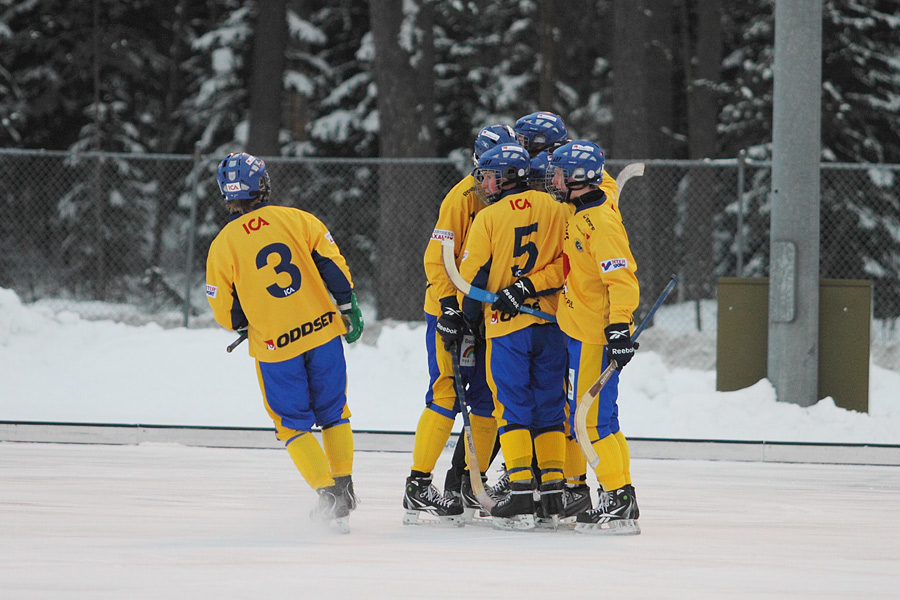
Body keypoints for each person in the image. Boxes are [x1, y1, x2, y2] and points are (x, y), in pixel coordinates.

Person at [205, 152, 364, 533]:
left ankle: (328, 497)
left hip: (277, 345)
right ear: (263, 185)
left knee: (292, 424)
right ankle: (344, 484)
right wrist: (349, 306)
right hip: (324, 331)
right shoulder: (299, 220)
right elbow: (333, 265)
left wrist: (245, 322)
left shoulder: (223, 245)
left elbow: (224, 309)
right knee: (334, 411)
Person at [404, 125, 516, 526]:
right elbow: (437, 258)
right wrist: (449, 306)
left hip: (488, 312)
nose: (498, 177)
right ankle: (418, 486)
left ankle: (472, 480)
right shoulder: (463, 197)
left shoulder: (513, 199)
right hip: (451, 311)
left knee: (488, 396)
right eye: (492, 168)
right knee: (447, 392)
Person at [456, 143, 570, 530]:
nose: (485, 182)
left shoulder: (487, 219)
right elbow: (565, 265)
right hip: (551, 323)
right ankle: (553, 492)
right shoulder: (556, 208)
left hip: (507, 328)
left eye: (489, 175)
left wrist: (465, 320)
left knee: (513, 405)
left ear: (508, 176)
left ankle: (521, 491)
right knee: (551, 405)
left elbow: (472, 279)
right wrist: (531, 285)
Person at [546, 140, 641, 535]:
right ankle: (622, 497)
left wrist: (619, 327)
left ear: (580, 179)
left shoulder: (600, 222)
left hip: (594, 338)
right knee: (605, 420)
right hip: (578, 331)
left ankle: (616, 499)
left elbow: (622, 278)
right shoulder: (578, 208)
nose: (553, 179)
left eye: (560, 173)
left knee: (591, 423)